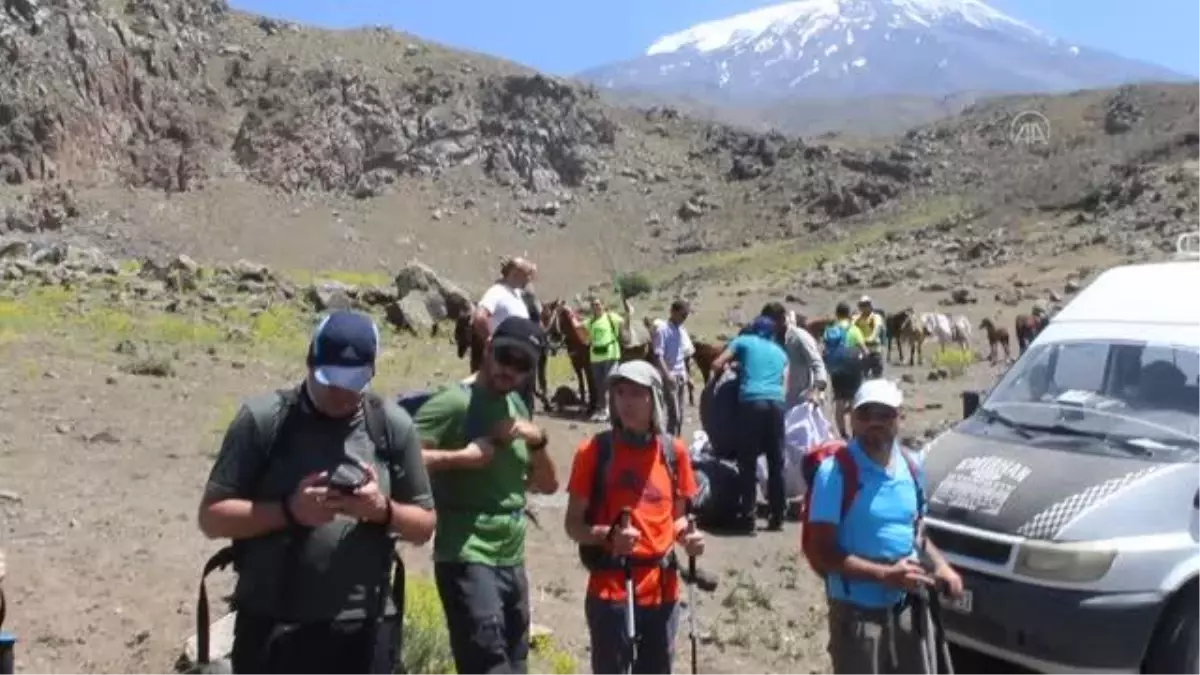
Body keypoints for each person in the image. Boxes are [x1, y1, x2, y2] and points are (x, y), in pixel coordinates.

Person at [197, 309, 437, 675]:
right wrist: (290, 511)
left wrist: (380, 509)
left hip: (365, 626)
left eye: (353, 382)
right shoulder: (264, 421)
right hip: (274, 620)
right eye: (331, 381)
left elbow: (424, 526)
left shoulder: (391, 427)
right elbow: (212, 517)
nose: (341, 394)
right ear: (310, 362)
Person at [415, 316, 560, 675]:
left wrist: (538, 441)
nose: (509, 369)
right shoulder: (452, 403)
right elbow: (401, 460)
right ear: (489, 345)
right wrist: (460, 458)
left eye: (522, 363)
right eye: (505, 356)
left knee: (516, 663)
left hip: (511, 557)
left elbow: (548, 485)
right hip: (466, 553)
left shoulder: (518, 409)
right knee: (487, 664)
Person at [806, 379, 964, 675]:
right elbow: (821, 552)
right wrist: (885, 575)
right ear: (852, 418)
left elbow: (916, 532)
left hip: (907, 606)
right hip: (857, 614)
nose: (874, 423)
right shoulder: (835, 472)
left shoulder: (912, 466)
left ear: (899, 417)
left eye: (884, 414)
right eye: (866, 415)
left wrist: (941, 567)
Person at [564, 360, 705, 675]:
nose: (625, 402)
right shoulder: (594, 451)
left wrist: (688, 538)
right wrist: (608, 536)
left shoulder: (674, 452)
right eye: (619, 392)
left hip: (662, 590)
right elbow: (573, 525)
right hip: (611, 589)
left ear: (654, 398)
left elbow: (677, 520)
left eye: (636, 393)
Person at [711, 316, 789, 533]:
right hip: (777, 404)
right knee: (776, 461)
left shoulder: (743, 341)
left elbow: (717, 363)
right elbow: (785, 383)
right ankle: (777, 515)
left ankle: (748, 515)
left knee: (748, 460)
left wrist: (732, 371)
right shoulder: (781, 352)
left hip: (752, 403)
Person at [761, 302, 828, 409]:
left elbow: (817, 363)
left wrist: (817, 390)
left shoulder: (799, 337)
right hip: (780, 400)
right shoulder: (772, 341)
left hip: (803, 400)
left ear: (782, 319)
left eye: (772, 323)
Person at [651, 299, 694, 437]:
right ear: (673, 312)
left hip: (681, 375)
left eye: (686, 316)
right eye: (682, 315)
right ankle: (669, 445)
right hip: (670, 376)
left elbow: (682, 355)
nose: (684, 319)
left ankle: (677, 442)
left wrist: (688, 376)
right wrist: (667, 375)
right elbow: (658, 355)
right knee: (673, 413)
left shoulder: (680, 330)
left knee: (680, 413)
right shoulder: (663, 330)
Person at [825, 302, 868, 438]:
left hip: (836, 368)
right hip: (853, 366)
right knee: (855, 400)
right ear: (849, 314)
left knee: (839, 400)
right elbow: (865, 351)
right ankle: (855, 432)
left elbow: (825, 350)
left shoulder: (831, 330)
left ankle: (843, 434)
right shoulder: (854, 329)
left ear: (837, 314)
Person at [585, 295, 627, 422]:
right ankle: (602, 410)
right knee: (599, 385)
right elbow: (578, 327)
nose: (596, 307)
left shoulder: (611, 317)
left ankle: (615, 411)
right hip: (595, 357)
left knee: (610, 383)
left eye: (598, 304)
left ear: (603, 305)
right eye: (593, 305)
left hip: (611, 354)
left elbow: (624, 322)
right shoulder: (590, 321)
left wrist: (629, 312)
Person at [855, 296, 885, 379]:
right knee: (862, 377)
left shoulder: (876, 317)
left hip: (874, 350)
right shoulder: (857, 319)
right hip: (862, 351)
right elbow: (852, 330)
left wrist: (870, 338)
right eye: (862, 305)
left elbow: (877, 329)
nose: (864, 307)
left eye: (866, 305)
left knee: (877, 377)